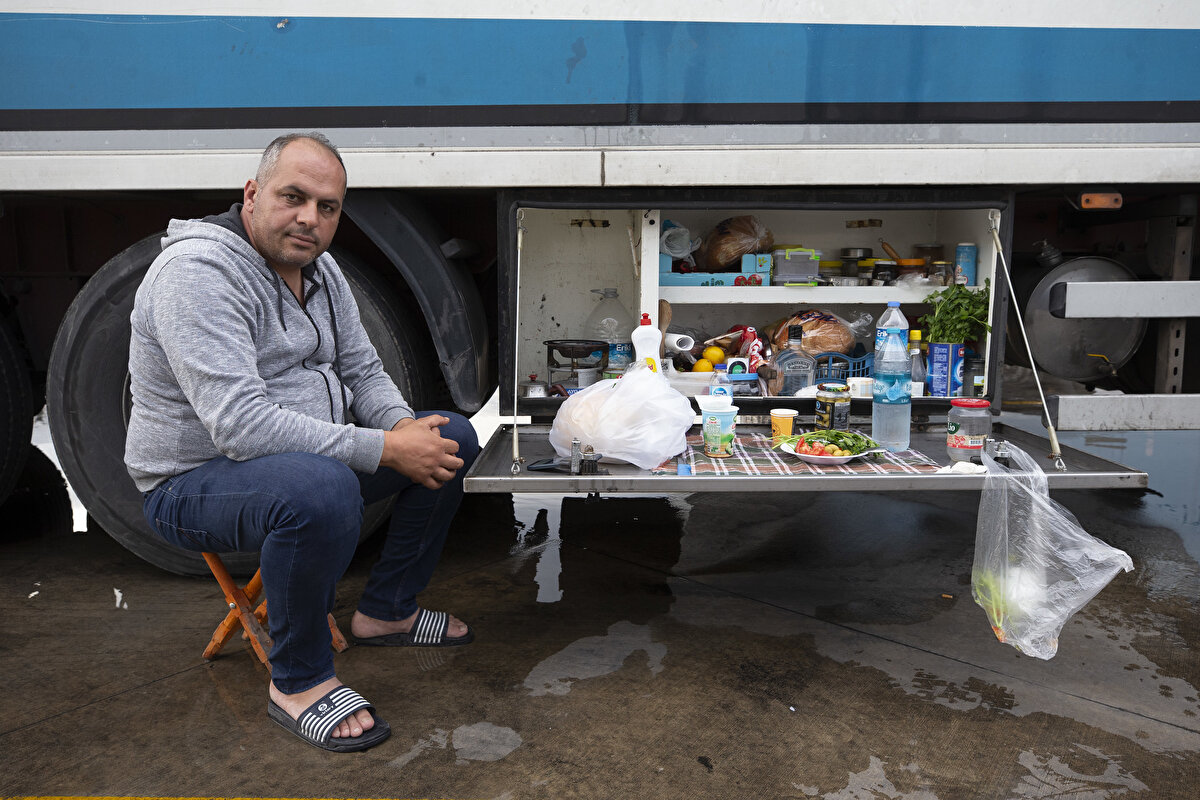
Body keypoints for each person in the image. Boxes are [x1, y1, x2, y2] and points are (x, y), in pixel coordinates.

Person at [125, 132, 479, 753]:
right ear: (252, 194)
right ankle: (298, 682)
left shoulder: (318, 268)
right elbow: (240, 425)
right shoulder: (196, 273)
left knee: (451, 436)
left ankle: (386, 611)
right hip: (193, 481)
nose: (309, 218)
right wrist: (382, 451)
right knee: (321, 487)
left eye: (328, 207)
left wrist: (401, 429)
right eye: (293, 197)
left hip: (294, 466)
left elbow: (363, 371)